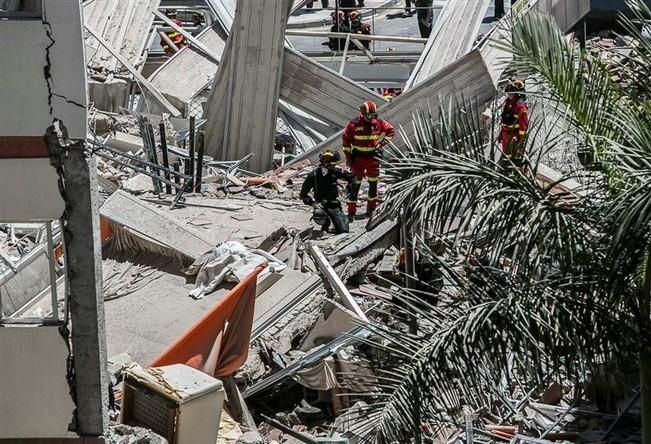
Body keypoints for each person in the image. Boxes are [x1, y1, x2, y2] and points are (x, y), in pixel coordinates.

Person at [343, 101, 395, 221]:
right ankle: (351, 213)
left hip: (373, 158)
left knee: (373, 185)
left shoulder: (379, 123)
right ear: (362, 114)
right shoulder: (353, 124)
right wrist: (348, 158)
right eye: (369, 116)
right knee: (355, 185)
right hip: (358, 158)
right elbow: (346, 143)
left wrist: (381, 144)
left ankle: (370, 210)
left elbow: (391, 131)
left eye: (374, 115)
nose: (372, 118)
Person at [300, 150, 352, 234]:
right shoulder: (314, 175)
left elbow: (351, 178)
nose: (333, 166)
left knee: (343, 230)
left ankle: (335, 221)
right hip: (321, 205)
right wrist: (312, 203)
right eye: (331, 164)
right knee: (318, 213)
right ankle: (325, 224)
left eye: (333, 164)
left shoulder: (335, 172)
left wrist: (348, 189)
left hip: (333, 204)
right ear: (324, 163)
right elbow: (303, 194)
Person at [499, 79, 529, 165]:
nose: (509, 95)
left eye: (511, 93)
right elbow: (505, 119)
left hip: (514, 136)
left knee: (514, 158)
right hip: (506, 134)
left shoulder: (520, 105)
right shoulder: (508, 102)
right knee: (506, 156)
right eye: (508, 93)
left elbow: (523, 125)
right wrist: (501, 134)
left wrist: (520, 140)